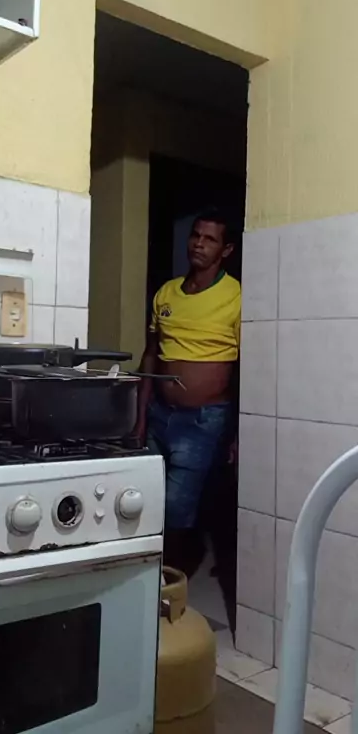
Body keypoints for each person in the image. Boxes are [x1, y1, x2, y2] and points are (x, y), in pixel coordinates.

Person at [135, 206, 241, 575]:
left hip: (204, 420)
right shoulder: (166, 293)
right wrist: (140, 416)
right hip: (159, 414)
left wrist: (238, 431)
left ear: (225, 250)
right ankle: (145, 576)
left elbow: (248, 368)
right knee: (145, 497)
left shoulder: (237, 297)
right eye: (196, 235)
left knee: (178, 507)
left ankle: (167, 581)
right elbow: (151, 354)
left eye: (210, 239)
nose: (199, 243)